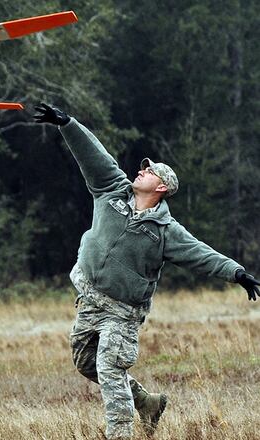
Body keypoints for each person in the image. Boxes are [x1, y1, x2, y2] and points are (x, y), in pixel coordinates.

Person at [32, 103, 260, 439]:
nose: (141, 171)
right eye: (142, 168)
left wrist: (237, 273)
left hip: (122, 314)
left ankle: (120, 434)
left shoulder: (166, 231)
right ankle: (146, 402)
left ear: (162, 188)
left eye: (149, 171)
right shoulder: (110, 189)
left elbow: (201, 254)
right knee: (85, 363)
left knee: (109, 367)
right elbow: (94, 156)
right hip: (90, 300)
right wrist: (67, 124)